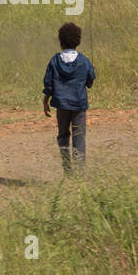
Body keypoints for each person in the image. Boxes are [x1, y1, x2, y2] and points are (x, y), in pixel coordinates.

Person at [42, 22, 95, 172]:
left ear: (61, 41)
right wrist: (92, 72)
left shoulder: (54, 61)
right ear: (78, 41)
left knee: (63, 135)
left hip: (61, 105)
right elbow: (90, 81)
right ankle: (79, 172)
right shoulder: (84, 61)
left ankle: (67, 168)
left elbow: (48, 84)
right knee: (79, 138)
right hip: (79, 105)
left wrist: (46, 102)